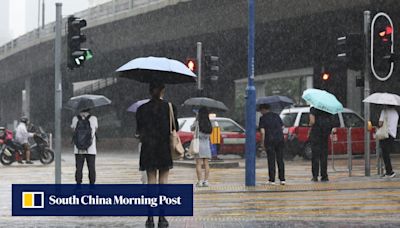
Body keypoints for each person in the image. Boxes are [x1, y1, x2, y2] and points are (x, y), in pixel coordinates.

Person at [136, 82, 178, 228]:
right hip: (163, 148)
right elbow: (174, 128)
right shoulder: (169, 107)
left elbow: (138, 131)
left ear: (149, 91)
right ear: (162, 91)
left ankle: (149, 217)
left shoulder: (141, 109)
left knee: (151, 181)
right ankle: (162, 216)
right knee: (163, 182)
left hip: (148, 148)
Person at [258, 104, 285, 185]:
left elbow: (263, 132)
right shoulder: (276, 116)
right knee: (280, 160)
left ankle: (272, 180)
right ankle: (282, 179)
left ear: (263, 109)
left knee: (271, 160)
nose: (260, 112)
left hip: (269, 140)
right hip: (280, 140)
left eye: (261, 110)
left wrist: (262, 144)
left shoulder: (263, 118)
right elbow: (282, 127)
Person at [71, 107, 98, 185]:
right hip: (91, 148)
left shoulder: (75, 118)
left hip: (78, 149)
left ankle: (78, 183)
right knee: (91, 168)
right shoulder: (93, 118)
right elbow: (96, 129)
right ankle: (92, 184)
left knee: (79, 168)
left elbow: (73, 130)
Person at [309, 107, 335, 182]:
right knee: (323, 156)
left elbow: (312, 121)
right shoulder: (327, 109)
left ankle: (315, 176)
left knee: (315, 156)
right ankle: (324, 176)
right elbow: (332, 121)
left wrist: (310, 124)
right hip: (325, 134)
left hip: (316, 134)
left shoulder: (313, 108)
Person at [192, 107, 213, 187]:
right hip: (207, 146)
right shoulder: (209, 123)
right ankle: (206, 181)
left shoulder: (197, 122)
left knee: (198, 164)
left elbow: (191, 128)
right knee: (206, 164)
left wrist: (196, 118)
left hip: (198, 146)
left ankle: (200, 181)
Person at [379, 105, 398, 178]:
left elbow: (380, 123)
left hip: (385, 134)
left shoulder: (384, 111)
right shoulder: (395, 113)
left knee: (385, 153)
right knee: (387, 153)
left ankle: (389, 172)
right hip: (393, 134)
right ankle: (388, 171)